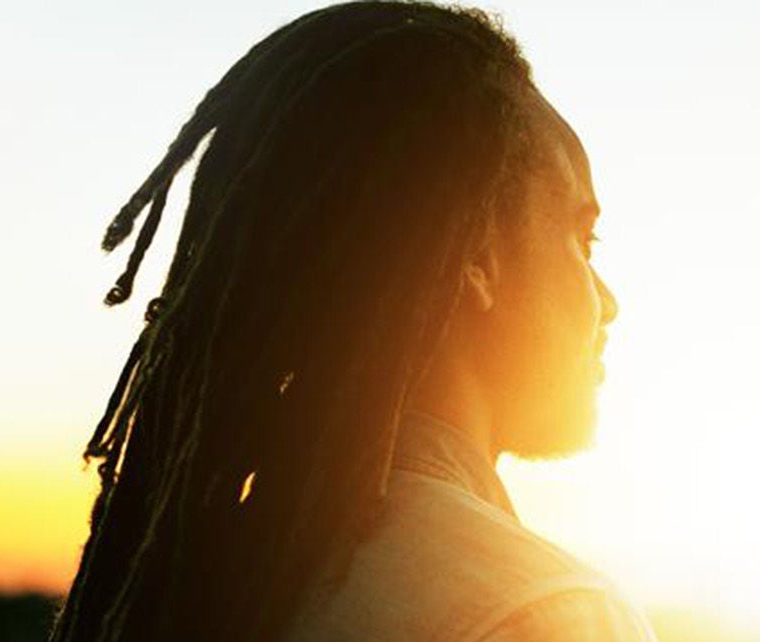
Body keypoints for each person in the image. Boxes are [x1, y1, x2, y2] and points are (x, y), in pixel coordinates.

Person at [49, 2, 655, 640]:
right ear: (480, 257)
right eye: (581, 239)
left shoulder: (200, 581)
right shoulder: (544, 612)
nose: (605, 299)